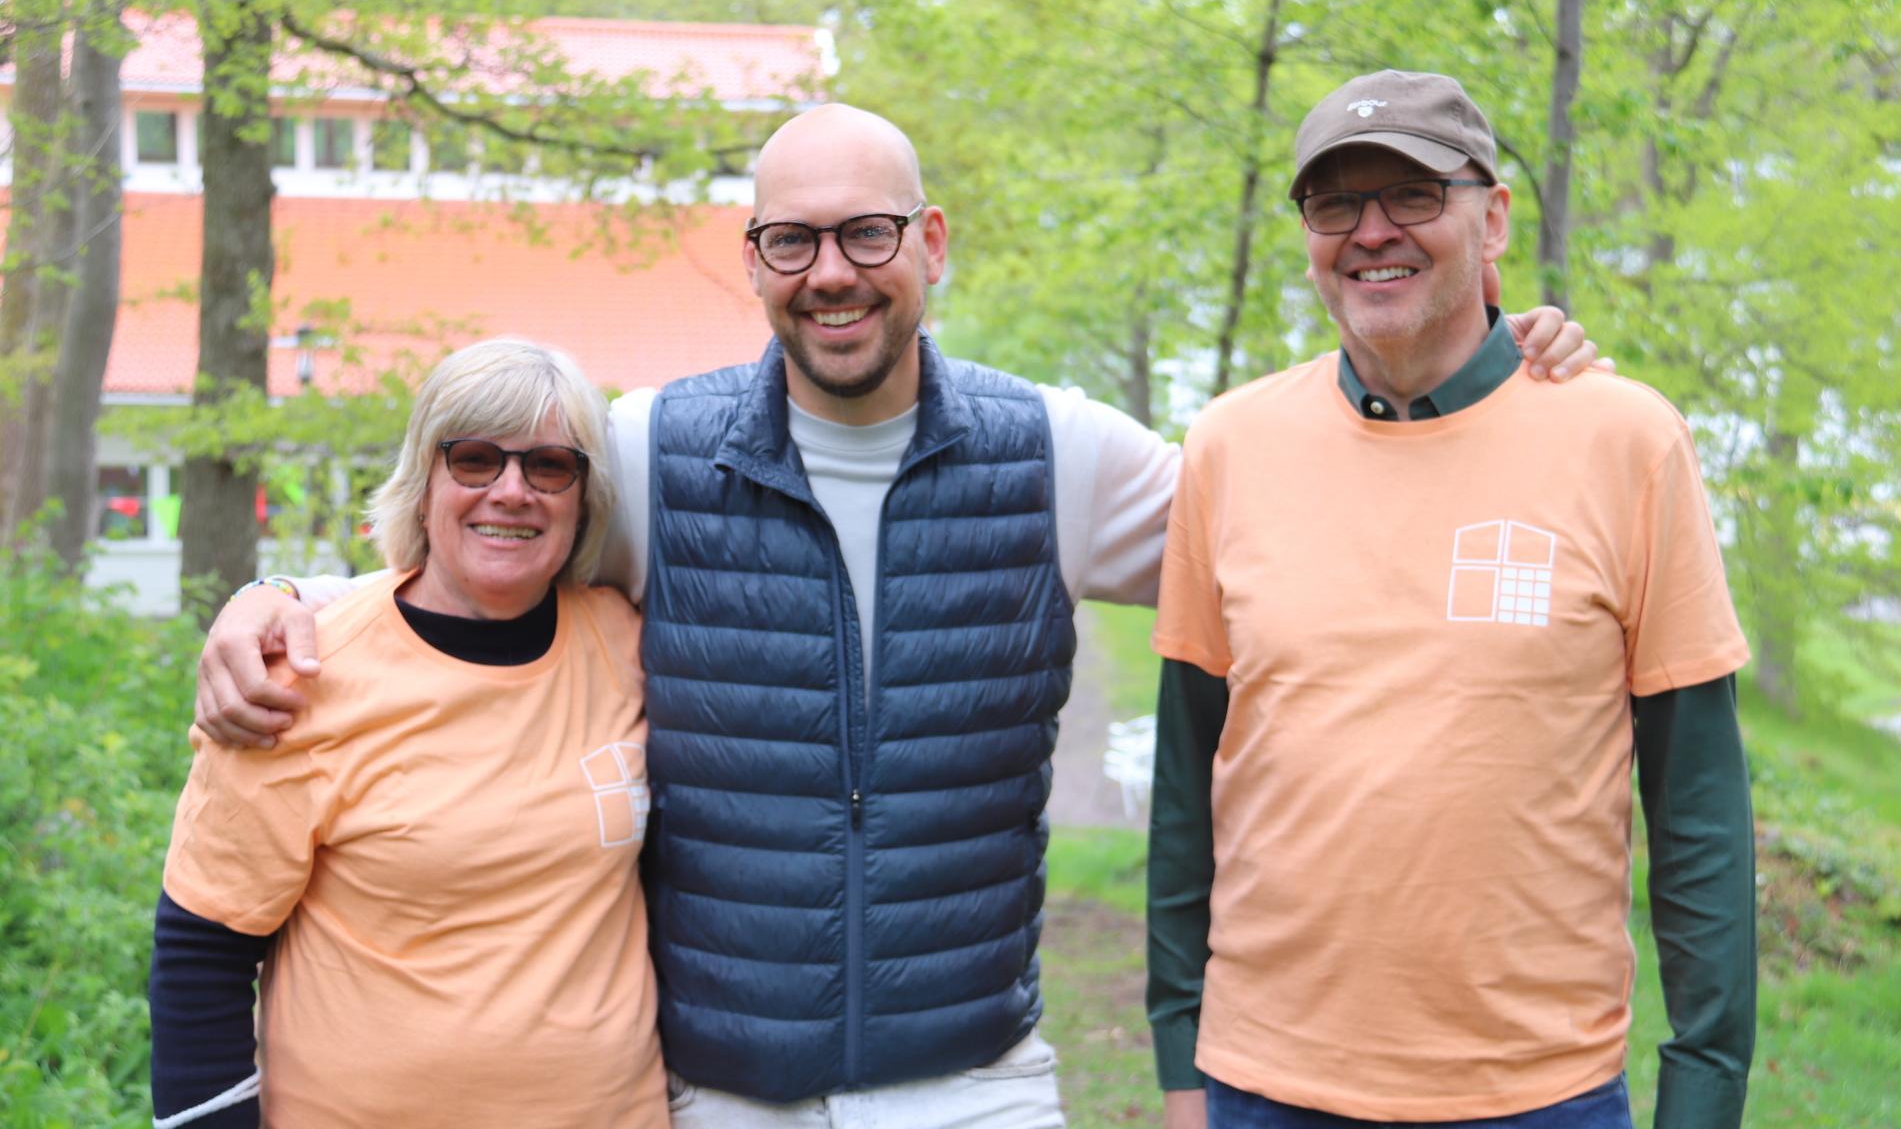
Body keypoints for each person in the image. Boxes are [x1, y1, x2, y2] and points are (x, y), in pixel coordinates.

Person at [188, 105, 1601, 1127]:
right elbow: (475, 539)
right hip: (719, 1089)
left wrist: (1476, 368)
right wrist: (277, 599)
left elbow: (1311, 519)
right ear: (752, 262)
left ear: (929, 242)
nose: (832, 272)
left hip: (974, 1081)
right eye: (790, 240)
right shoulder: (649, 453)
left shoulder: (1062, 452)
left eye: (867, 232)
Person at [1147, 70, 1755, 1129]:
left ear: (1495, 219)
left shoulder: (1625, 441)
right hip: (1262, 1084)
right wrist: (1178, 1061)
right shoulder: (1231, 446)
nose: (1372, 232)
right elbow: (1184, 784)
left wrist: (1702, 1094)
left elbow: (1697, 809)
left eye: (1415, 195)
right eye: (1337, 204)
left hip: (1536, 1094)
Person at [148, 340, 668, 1128]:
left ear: (585, 496)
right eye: (475, 460)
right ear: (423, 481)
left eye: (549, 467)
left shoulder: (626, 646)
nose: (512, 491)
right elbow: (201, 958)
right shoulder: (298, 678)